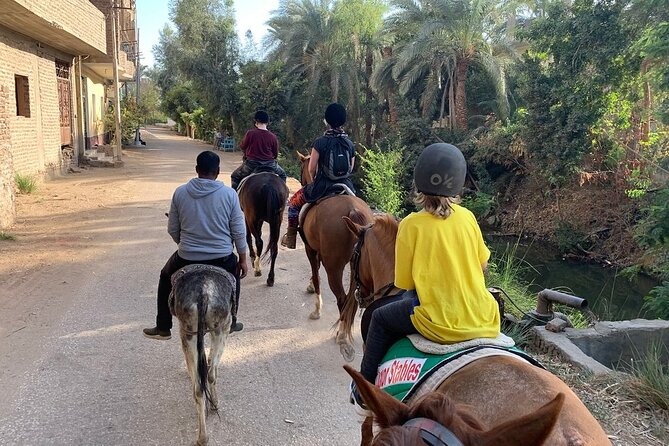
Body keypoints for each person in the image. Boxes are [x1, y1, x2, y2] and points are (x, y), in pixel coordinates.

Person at [350, 143, 500, 407]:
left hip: (437, 319)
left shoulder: (410, 224)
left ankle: (363, 388)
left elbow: (405, 284)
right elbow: (483, 267)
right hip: (483, 315)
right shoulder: (468, 217)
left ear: (418, 185)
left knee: (380, 317)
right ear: (458, 185)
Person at [143, 151, 248, 340]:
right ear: (217, 171)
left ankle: (163, 327)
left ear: (197, 170)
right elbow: (239, 231)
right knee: (235, 278)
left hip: (186, 257)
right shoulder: (230, 194)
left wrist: (184, 244)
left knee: (165, 276)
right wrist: (243, 259)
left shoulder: (180, 192)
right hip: (222, 258)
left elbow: (172, 228)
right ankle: (231, 320)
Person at [280, 103, 356, 249]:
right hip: (346, 185)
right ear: (343, 121)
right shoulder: (349, 143)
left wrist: (314, 181)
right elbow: (350, 168)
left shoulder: (320, 142)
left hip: (323, 186)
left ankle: (290, 237)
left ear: (326, 121)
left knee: (294, 204)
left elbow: (311, 168)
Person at [230, 111, 286, 189]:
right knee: (283, 174)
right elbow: (275, 154)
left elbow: (242, 146)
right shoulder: (273, 136)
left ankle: (234, 198)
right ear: (267, 122)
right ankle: (285, 198)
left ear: (256, 122)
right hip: (270, 165)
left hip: (252, 165)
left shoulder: (250, 133)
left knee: (235, 176)